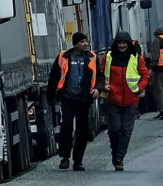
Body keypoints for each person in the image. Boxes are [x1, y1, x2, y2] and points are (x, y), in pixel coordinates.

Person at [98, 31, 149, 170]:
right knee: (114, 130)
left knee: (126, 131)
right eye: (119, 43)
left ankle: (119, 158)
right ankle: (115, 153)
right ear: (115, 44)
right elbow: (100, 75)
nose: (122, 46)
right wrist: (104, 86)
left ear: (128, 44)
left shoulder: (136, 58)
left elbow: (145, 75)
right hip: (113, 100)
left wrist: (138, 89)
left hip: (131, 101)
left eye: (124, 43)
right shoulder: (108, 57)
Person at [46, 32, 96, 171]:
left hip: (84, 100)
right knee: (66, 127)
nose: (85, 44)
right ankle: (65, 158)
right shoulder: (64, 57)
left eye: (86, 41)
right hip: (68, 99)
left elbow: (99, 75)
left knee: (82, 131)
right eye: (82, 42)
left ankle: (78, 161)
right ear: (75, 44)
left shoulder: (91, 58)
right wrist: (50, 97)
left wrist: (97, 89)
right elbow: (54, 77)